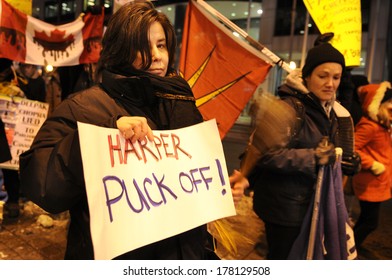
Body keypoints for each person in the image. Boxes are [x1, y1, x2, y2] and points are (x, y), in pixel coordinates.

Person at [19, 1, 248, 260]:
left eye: (161, 45)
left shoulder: (181, 103)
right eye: (143, 46)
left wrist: (219, 190)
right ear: (119, 50)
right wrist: (95, 139)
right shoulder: (81, 108)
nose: (157, 55)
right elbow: (41, 186)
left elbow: (190, 185)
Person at [249, 42, 359, 259]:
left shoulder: (334, 111)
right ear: (307, 76)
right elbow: (266, 155)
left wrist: (350, 163)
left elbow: (336, 151)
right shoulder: (290, 107)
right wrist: (313, 157)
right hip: (286, 211)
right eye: (323, 76)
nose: (330, 84)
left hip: (316, 206)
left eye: (336, 77)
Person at [352, 82, 392, 250]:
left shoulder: (383, 126)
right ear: (378, 105)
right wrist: (374, 164)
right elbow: (353, 148)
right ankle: (347, 248)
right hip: (370, 182)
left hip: (378, 182)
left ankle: (350, 245)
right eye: (389, 106)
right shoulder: (370, 126)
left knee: (366, 219)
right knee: (370, 222)